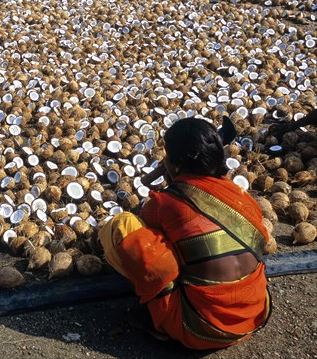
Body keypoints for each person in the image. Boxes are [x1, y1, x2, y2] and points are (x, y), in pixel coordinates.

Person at [97, 117, 271, 350]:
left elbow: (148, 229)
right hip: (254, 315)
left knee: (123, 227)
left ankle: (160, 317)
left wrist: (172, 183)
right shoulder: (241, 197)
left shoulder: (167, 202)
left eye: (166, 154)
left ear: (175, 162)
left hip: (200, 328)